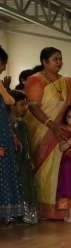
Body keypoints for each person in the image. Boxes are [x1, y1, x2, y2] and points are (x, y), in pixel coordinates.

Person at [25, 47, 71, 220]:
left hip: (64, 132)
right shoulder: (35, 80)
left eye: (60, 59)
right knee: (44, 172)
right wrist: (51, 125)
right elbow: (33, 107)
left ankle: (63, 210)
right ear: (44, 62)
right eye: (55, 59)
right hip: (42, 132)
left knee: (62, 171)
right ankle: (44, 209)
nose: (59, 62)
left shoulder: (67, 82)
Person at [0, 51, 23, 223]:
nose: (3, 68)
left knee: (5, 172)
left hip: (4, 132)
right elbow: (10, 101)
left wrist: (12, 134)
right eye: (2, 63)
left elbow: (5, 112)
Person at [10, 90, 38, 224]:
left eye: (26, 104)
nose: (25, 108)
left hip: (24, 162)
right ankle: (14, 213)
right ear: (12, 106)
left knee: (27, 186)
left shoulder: (23, 123)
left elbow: (27, 144)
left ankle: (27, 214)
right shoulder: (8, 125)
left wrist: (30, 159)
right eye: (22, 104)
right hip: (13, 162)